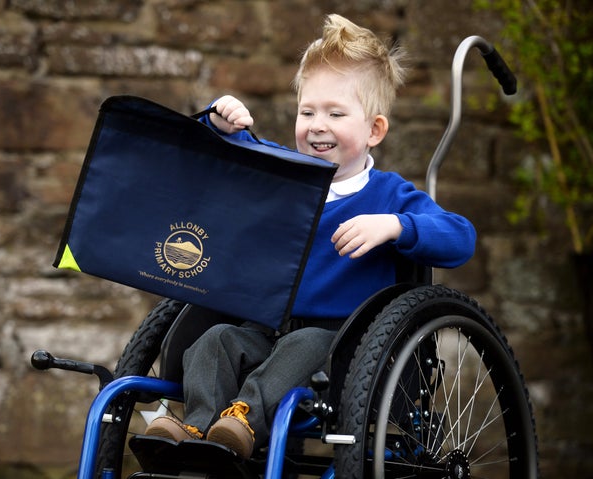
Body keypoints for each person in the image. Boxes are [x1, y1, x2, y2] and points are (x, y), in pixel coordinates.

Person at [143, 13, 477, 458]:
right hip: (266, 329)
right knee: (215, 340)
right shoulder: (286, 172)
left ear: (374, 129)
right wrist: (221, 123)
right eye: (308, 112)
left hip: (341, 347)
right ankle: (197, 426)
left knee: (306, 343)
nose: (318, 124)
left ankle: (242, 419)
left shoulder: (390, 195)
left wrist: (396, 225)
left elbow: (460, 237)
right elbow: (232, 153)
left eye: (336, 114)